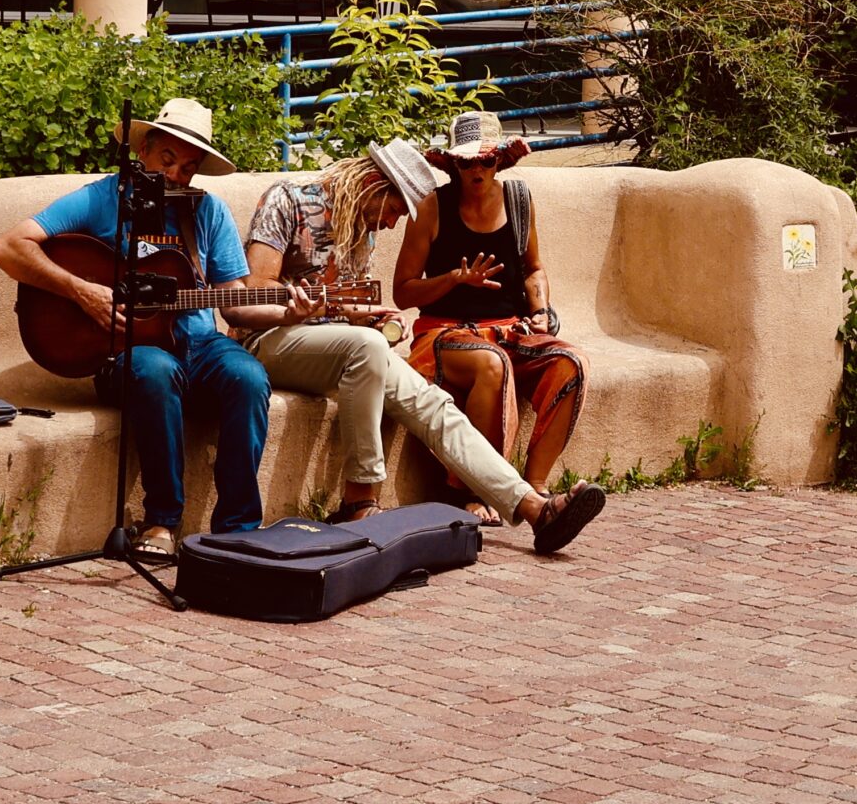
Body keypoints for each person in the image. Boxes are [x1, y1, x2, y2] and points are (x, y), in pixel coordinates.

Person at [236, 138, 606, 554]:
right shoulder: (286, 200)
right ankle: (359, 499)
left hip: (337, 349)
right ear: (374, 185)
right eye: (394, 210)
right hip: (269, 339)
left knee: (433, 403)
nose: (393, 223)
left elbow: (337, 315)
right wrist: (299, 309)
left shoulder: (362, 231)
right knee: (366, 347)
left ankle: (536, 509)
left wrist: (364, 315)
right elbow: (255, 289)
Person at [0, 98, 268, 560]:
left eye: (188, 166)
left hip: (200, 343)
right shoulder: (102, 199)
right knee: (153, 370)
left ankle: (237, 531)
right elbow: (6, 248)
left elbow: (235, 303)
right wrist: (82, 291)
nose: (176, 174)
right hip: (129, 351)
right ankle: (162, 521)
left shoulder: (207, 211)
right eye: (168, 160)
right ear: (143, 149)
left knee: (249, 377)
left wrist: (292, 310)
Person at [396, 112, 591, 499]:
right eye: (467, 162)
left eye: (485, 160)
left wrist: (540, 313)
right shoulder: (431, 207)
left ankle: (534, 488)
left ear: (499, 159)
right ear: (453, 164)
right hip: (444, 334)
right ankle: (472, 492)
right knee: (491, 363)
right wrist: (453, 279)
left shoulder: (519, 201)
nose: (477, 170)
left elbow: (535, 270)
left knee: (572, 362)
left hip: (509, 329)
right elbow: (403, 292)